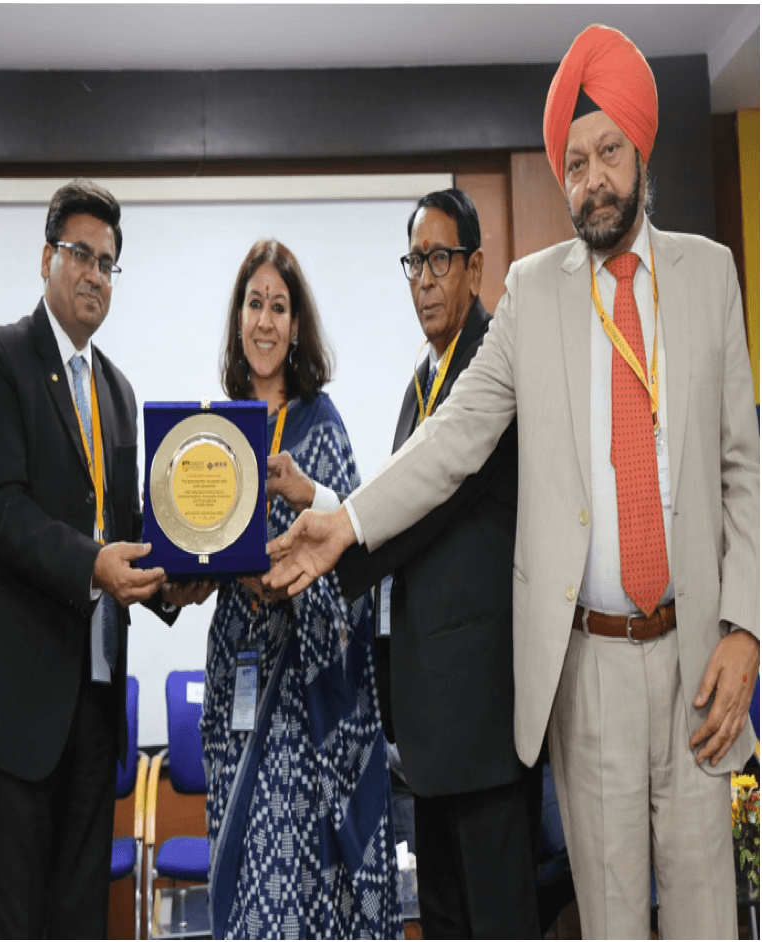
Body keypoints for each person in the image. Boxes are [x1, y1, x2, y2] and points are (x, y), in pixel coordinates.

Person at [267, 24, 760, 940]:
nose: (592, 179)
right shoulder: (535, 295)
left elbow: (742, 469)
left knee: (705, 919)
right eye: (572, 164)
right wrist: (347, 522)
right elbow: (453, 436)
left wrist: (745, 626)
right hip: (590, 668)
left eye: (608, 152)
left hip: (700, 659)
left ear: (641, 150)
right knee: (609, 920)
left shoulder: (710, 275)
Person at [0, 179, 177, 938]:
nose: (95, 274)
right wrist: (94, 566)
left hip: (95, 704)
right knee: (17, 919)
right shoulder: (0, 358)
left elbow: (126, 526)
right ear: (47, 256)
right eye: (81, 254)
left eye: (109, 263)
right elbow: (2, 512)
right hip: (20, 706)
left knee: (82, 917)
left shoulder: (117, 389)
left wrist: (183, 577)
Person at [334, 188, 539, 939]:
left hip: (481, 715)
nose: (423, 277)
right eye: (413, 261)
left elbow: (424, 513)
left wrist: (323, 551)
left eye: (440, 259)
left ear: (476, 266)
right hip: (427, 726)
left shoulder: (491, 368)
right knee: (448, 921)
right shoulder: (420, 383)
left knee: (497, 920)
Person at [196, 238, 402, 939]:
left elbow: (359, 545)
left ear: (296, 324)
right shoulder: (215, 432)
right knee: (240, 871)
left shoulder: (322, 422)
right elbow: (196, 544)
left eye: (278, 307)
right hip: (236, 681)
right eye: (254, 303)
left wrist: (307, 494)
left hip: (305, 695)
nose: (264, 320)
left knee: (289, 893)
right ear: (238, 318)